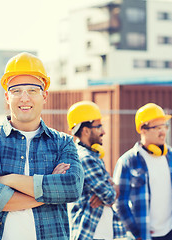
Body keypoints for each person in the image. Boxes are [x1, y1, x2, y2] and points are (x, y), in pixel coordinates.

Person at [0, 52, 84, 240]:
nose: (25, 98)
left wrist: (8, 179)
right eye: (16, 91)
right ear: (7, 96)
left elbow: (72, 187)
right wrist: (48, 191)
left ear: (44, 95)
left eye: (32, 90)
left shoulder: (64, 143)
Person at [113, 103, 172, 240]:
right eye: (157, 128)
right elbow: (120, 203)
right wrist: (136, 232)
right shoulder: (128, 161)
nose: (163, 132)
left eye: (165, 126)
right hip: (143, 235)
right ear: (142, 130)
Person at [67, 101, 126, 240]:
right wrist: (110, 189)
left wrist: (108, 191)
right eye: (99, 127)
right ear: (86, 130)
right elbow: (110, 196)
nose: (104, 131)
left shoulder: (91, 155)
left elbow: (109, 194)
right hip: (92, 233)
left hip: (100, 232)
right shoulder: (86, 158)